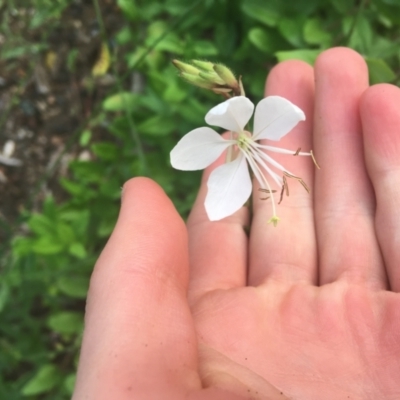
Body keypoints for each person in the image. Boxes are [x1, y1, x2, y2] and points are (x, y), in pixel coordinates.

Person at [72, 47, 400, 400]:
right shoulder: (234, 122)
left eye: (249, 139)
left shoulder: (248, 118)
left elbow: (252, 118)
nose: (247, 141)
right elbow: (208, 140)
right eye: (244, 141)